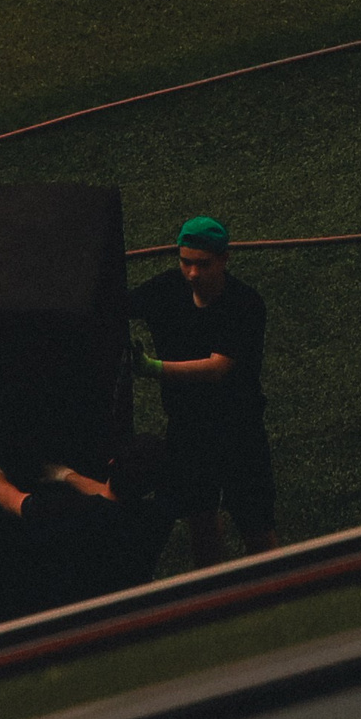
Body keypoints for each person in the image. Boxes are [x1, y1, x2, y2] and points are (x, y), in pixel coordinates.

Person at [128, 214, 276, 565]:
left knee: (256, 525)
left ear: (224, 260)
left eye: (203, 264)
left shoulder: (245, 305)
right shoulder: (166, 289)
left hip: (239, 433)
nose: (192, 273)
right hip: (187, 430)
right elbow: (119, 308)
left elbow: (217, 368)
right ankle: (216, 599)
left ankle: (281, 595)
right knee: (200, 519)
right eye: (186, 262)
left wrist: (153, 369)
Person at [0, 446, 175, 606]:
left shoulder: (71, 511)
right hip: (127, 610)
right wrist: (68, 475)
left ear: (111, 463)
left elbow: (11, 501)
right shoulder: (156, 518)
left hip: (74, 615)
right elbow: (114, 498)